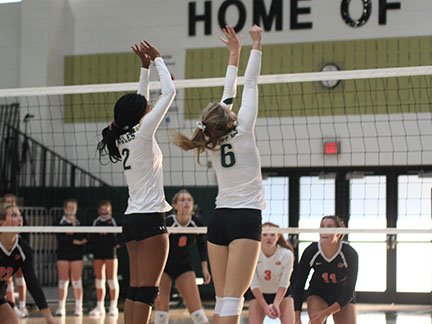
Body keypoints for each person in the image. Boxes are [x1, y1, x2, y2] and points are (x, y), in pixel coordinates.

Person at [172, 25, 265, 324]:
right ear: (227, 120)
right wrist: (257, 45)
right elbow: (249, 84)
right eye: (230, 111)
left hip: (220, 219)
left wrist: (235, 53)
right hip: (245, 218)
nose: (234, 110)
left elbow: (230, 94)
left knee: (224, 300)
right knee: (233, 302)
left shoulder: (210, 139)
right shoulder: (245, 127)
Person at [97, 39, 176, 324]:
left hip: (131, 220)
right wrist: (158, 60)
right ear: (140, 113)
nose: (148, 106)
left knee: (135, 288)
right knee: (147, 291)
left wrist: (144, 70)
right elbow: (170, 92)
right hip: (150, 220)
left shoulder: (123, 134)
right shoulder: (143, 133)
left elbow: (139, 101)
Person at [154, 189, 211, 324]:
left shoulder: (197, 223)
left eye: (189, 200)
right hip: (164, 267)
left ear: (193, 204)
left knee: (198, 314)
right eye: (182, 200)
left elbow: (202, 246)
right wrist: (154, 278)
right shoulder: (167, 222)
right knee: (161, 315)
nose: (186, 202)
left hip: (184, 266)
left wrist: (205, 268)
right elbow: (156, 249)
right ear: (175, 205)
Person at [293, 216, 358, 324]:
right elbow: (298, 285)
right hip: (319, 294)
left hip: (342, 295)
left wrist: (325, 313)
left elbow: (349, 292)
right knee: (316, 321)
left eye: (329, 226)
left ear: (338, 232)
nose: (324, 229)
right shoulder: (311, 251)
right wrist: (297, 318)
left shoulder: (349, 253)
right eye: (322, 226)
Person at [0, 204, 57, 324]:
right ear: (1, 222)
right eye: (14, 215)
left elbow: (32, 283)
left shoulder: (23, 249)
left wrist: (48, 317)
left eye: (20, 215)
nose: (20, 219)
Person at [246, 222, 295, 324]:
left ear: (278, 236)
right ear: (260, 237)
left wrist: (276, 303)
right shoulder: (252, 254)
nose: (269, 238)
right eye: (265, 235)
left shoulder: (286, 254)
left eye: (272, 234)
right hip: (259, 292)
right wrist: (265, 307)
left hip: (281, 293)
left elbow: (284, 283)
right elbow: (254, 284)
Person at [55, 198, 87, 316]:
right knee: (63, 281)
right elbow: (60, 237)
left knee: (76, 281)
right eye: (69, 208)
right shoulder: (59, 221)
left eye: (73, 208)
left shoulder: (79, 221)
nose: (71, 210)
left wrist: (74, 227)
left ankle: (79, 307)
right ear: (64, 209)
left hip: (76, 254)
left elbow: (83, 237)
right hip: (63, 253)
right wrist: (73, 241)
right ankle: (61, 307)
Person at [89, 200, 120, 317]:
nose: (104, 212)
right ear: (99, 210)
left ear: (110, 210)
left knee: (112, 279)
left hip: (110, 253)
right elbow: (91, 236)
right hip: (98, 253)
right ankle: (100, 306)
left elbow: (119, 235)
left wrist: (116, 243)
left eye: (106, 210)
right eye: (102, 210)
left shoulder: (113, 221)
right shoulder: (96, 222)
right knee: (99, 279)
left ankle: (113, 306)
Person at [2, 194, 28, 318]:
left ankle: (21, 306)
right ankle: (13, 305)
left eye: (13, 201)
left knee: (20, 277)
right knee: (8, 279)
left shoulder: (20, 219)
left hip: (15, 253)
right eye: (8, 202)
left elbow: (26, 234)